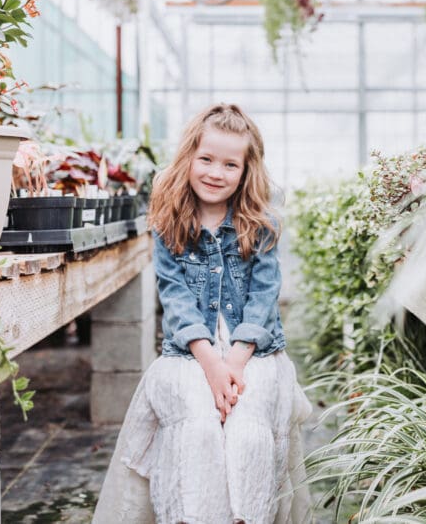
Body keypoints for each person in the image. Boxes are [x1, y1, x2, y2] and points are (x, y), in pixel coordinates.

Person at [94, 103, 311, 524]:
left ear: (246, 171)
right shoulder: (170, 221)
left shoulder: (261, 223)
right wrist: (211, 362)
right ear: (189, 157)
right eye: (206, 159)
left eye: (230, 164)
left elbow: (264, 296)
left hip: (252, 350)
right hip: (191, 348)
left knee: (248, 429)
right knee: (196, 427)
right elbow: (174, 295)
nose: (216, 172)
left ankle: (247, 516)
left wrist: (235, 360)